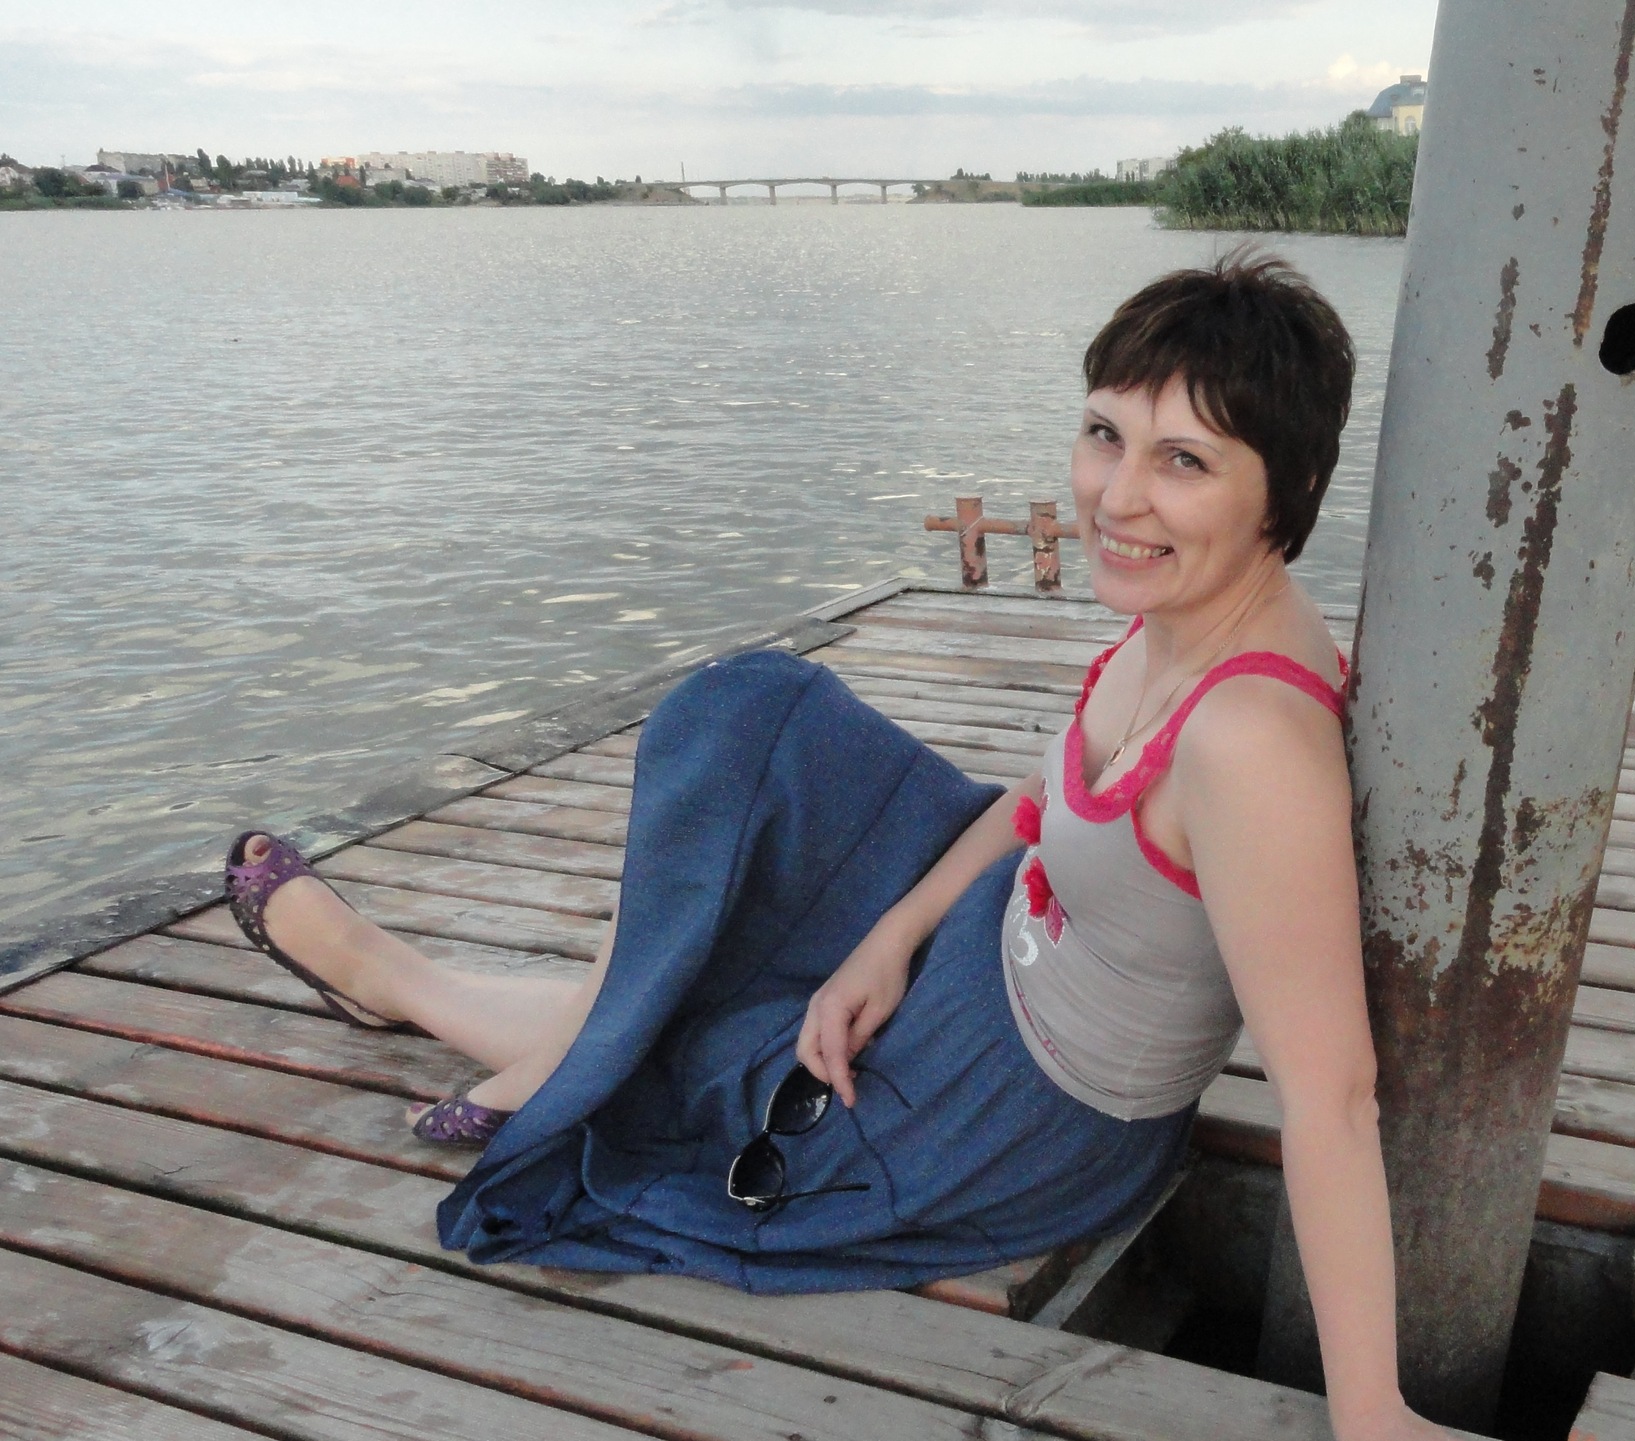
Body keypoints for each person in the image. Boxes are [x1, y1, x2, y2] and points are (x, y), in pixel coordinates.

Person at [220, 251, 1449, 1441]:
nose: (1117, 497)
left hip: (1010, 1105)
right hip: (997, 934)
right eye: (1103, 434)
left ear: (1286, 487)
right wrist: (888, 936)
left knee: (703, 1034)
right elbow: (1046, 795)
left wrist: (1372, 1416)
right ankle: (535, 1032)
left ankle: (400, 985)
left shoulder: (1249, 741)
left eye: (1183, 460)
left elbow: (1330, 1096)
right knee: (757, 721)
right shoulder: (1188, 605)